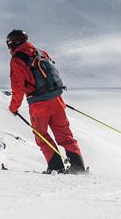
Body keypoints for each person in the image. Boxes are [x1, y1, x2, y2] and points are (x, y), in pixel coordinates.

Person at [6, 29, 86, 173]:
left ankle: (56, 167)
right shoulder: (40, 52)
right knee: (65, 135)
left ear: (12, 44)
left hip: (39, 105)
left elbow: (17, 88)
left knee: (41, 135)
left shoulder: (17, 60)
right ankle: (78, 167)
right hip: (56, 100)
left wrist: (14, 107)